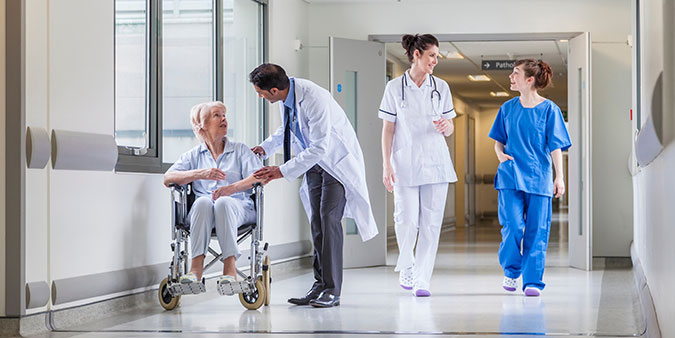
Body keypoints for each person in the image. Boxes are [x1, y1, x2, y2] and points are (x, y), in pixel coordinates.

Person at [249, 63, 378, 308]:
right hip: (313, 164)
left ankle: (332, 290)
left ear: (274, 90)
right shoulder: (288, 97)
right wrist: (265, 148)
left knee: (329, 220)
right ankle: (319, 285)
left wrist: (281, 171)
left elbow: (321, 146)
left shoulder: (313, 97)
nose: (260, 96)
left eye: (261, 92)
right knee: (317, 223)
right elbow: (287, 129)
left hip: (334, 164)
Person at [379, 34, 458, 297]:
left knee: (431, 224)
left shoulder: (441, 87)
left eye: (437, 55)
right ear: (416, 55)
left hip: (436, 163)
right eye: (431, 55)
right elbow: (388, 129)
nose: (435, 60)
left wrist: (448, 126)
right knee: (407, 220)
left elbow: (449, 126)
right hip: (405, 163)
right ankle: (407, 264)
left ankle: (423, 279)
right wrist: (386, 164)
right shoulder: (394, 88)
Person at [488, 59, 571, 297]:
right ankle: (512, 272)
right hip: (511, 176)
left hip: (538, 177)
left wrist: (560, 177)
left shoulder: (550, 109)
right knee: (513, 226)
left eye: (515, 74)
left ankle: (533, 281)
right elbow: (498, 141)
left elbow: (556, 146)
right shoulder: (507, 108)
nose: (511, 78)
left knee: (537, 230)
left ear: (529, 80)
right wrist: (500, 155)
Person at [163, 101, 263, 296]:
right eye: (217, 115)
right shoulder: (193, 155)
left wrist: (231, 188)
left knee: (224, 202)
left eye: (224, 115)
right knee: (202, 201)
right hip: (204, 213)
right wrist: (201, 173)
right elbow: (168, 178)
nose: (224, 118)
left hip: (239, 208)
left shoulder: (240, 150)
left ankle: (230, 269)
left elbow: (260, 177)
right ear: (202, 125)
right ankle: (195, 269)